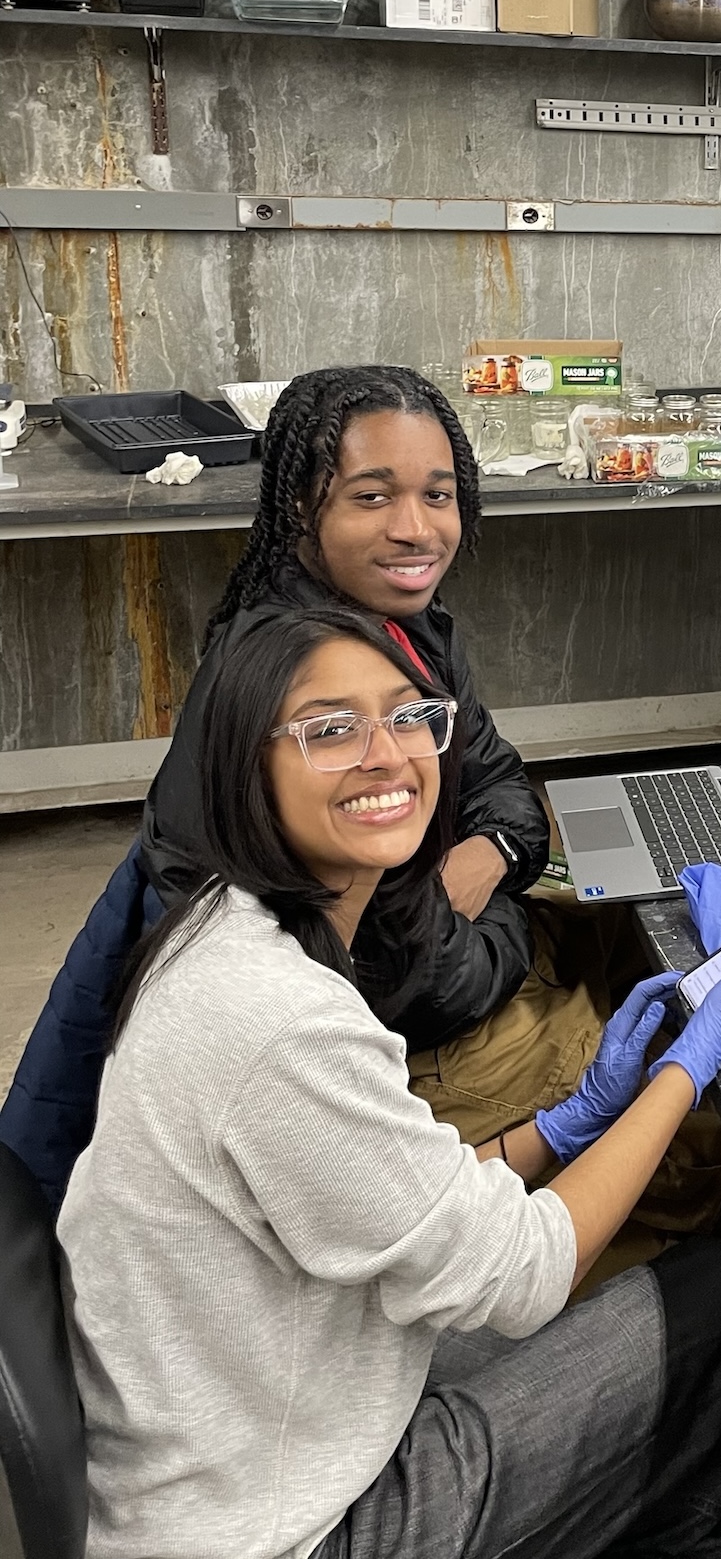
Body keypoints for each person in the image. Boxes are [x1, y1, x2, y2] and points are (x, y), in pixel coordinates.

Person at [58, 607, 721, 1559]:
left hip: (252, 1452)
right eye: (329, 730)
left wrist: (571, 1120)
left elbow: (412, 1203)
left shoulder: (235, 929)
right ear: (243, 766)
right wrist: (689, 1064)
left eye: (408, 717)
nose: (386, 756)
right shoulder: (278, 1022)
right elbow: (524, 1273)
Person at [141, 366, 593, 1143]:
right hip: (379, 1039)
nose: (416, 529)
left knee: (633, 938)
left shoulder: (403, 626)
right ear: (301, 505)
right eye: (373, 497)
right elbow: (422, 981)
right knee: (692, 1125)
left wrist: (493, 851)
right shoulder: (295, 675)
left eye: (438, 495)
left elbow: (495, 775)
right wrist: (509, 911)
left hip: (439, 950)